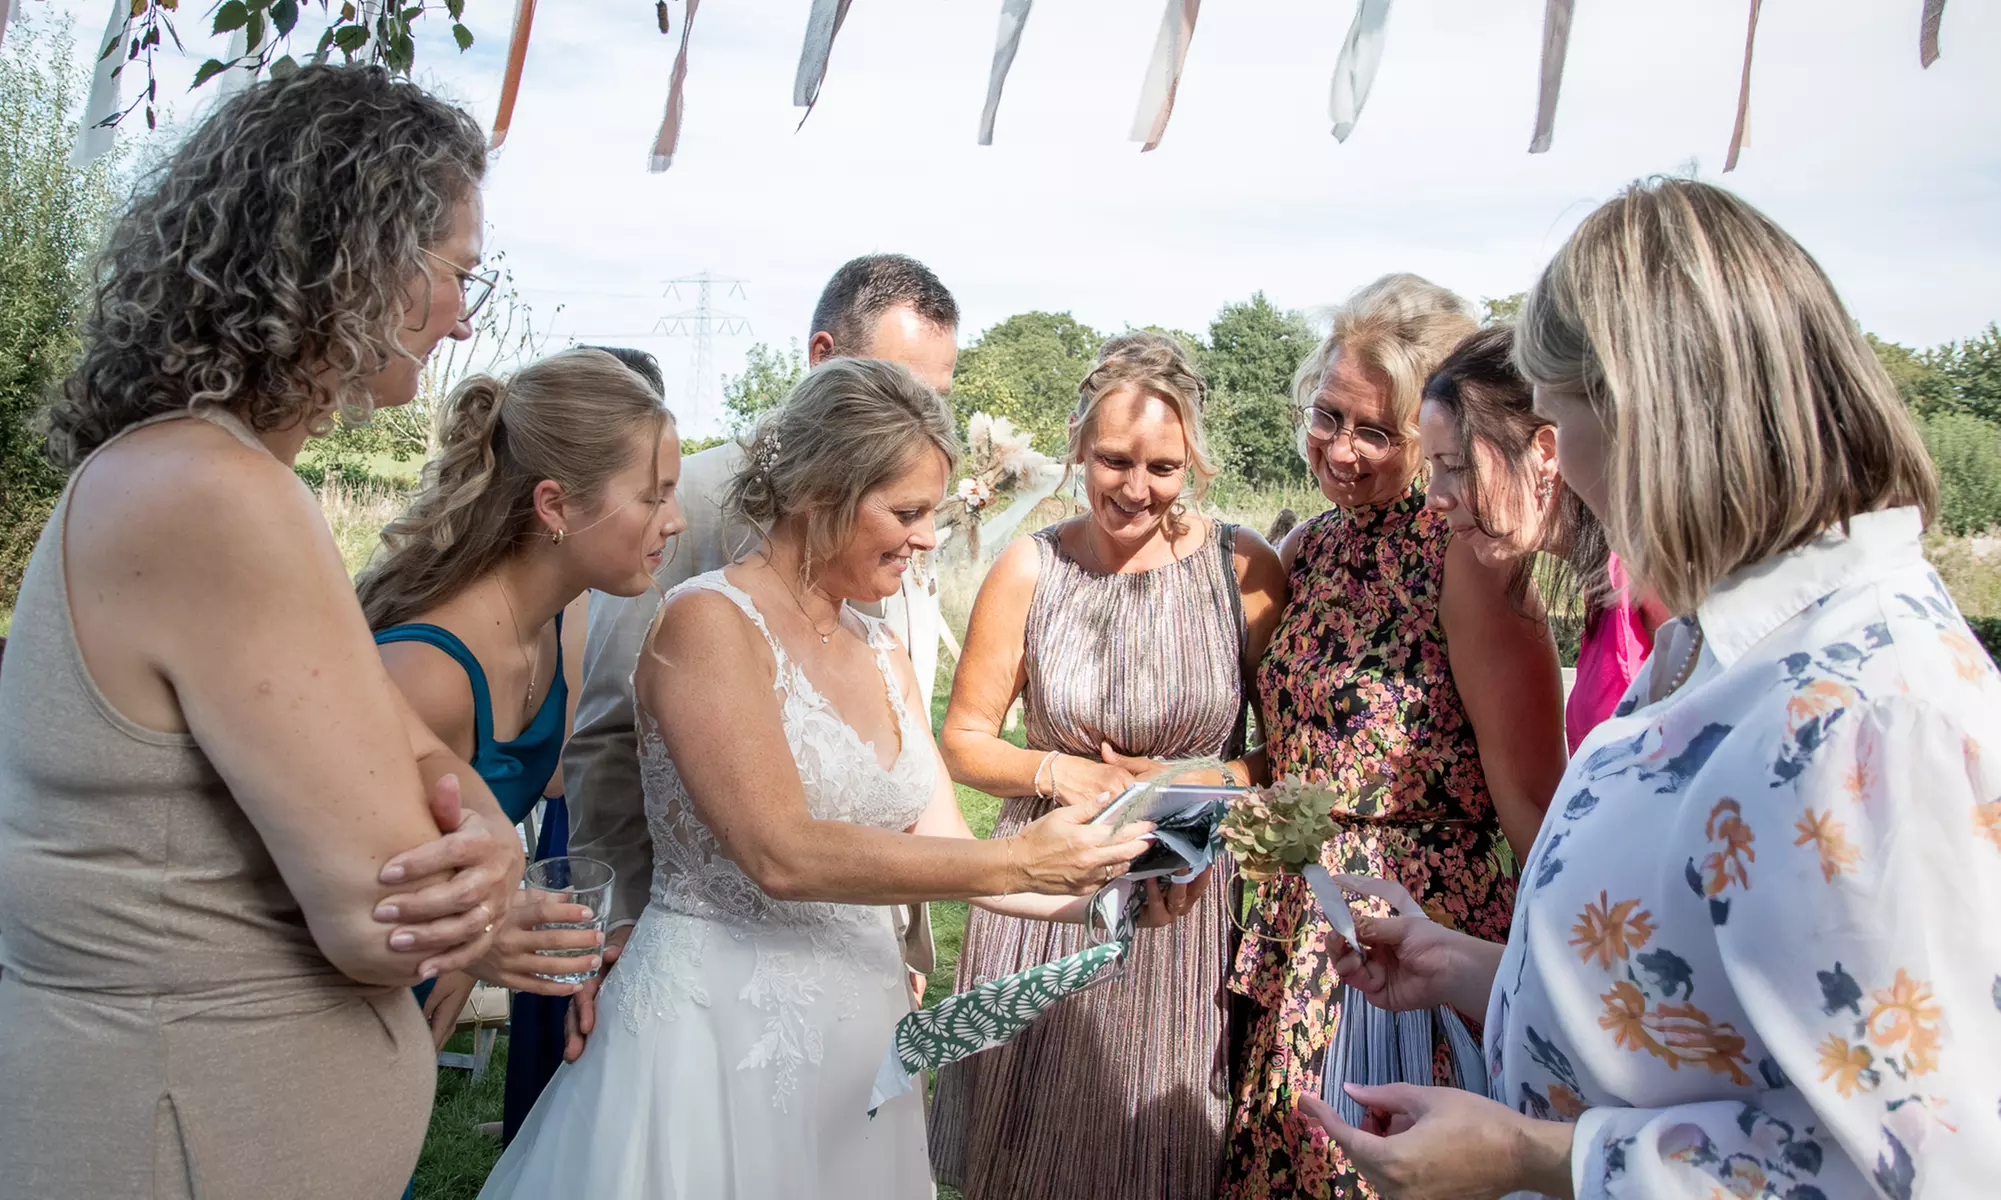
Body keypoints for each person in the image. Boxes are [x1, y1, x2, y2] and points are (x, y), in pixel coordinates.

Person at [1296, 178, 2001, 1199]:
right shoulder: (1730, 651)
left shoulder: (1874, 719)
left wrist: (1538, 1155)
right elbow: (1719, 1020)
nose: (1556, 456)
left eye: (1559, 413)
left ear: (1646, 415)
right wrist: (1472, 968)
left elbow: (1933, 1168)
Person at [481, 357, 1195, 1198]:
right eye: (906, 512)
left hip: (861, 1035)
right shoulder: (708, 622)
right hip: (713, 1034)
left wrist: (1109, 884)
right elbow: (779, 852)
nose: (928, 536)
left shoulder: (884, 651)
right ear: (822, 493)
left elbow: (947, 848)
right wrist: (1018, 860)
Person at [0, 66, 522, 1197]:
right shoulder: (215, 497)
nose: (463, 317)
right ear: (364, 261)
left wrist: (483, 824)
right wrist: (481, 872)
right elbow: (389, 924)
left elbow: (410, 752)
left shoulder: (191, 472)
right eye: (456, 275)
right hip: (185, 1136)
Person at [1222, 274, 1569, 1199]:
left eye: (1376, 431)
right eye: (1328, 415)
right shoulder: (1305, 549)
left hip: (1418, 929)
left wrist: (1559, 989)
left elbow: (1534, 802)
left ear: (1432, 437)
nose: (1338, 449)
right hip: (1304, 924)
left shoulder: (1471, 551)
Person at [563, 254, 961, 1040]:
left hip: (857, 959)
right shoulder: (692, 503)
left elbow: (888, 762)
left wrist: (900, 937)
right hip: (710, 968)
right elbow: (609, 733)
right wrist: (618, 925)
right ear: (823, 358)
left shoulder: (896, 517)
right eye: (900, 386)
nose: (915, 414)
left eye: (933, 398)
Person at [929, 332, 1287, 1198]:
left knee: (1158, 1146)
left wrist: (1196, 785)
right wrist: (1060, 773)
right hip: (1047, 898)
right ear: (1078, 449)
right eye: (1113, 460)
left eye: (1162, 466)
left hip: (1183, 900)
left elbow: (1286, 750)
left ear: (1193, 459)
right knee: (1036, 1157)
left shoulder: (1243, 571)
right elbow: (965, 741)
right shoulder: (1030, 568)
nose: (1135, 488)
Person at [359, 349, 682, 1169]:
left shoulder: (558, 625)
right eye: (653, 497)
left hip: (416, 992)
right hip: (345, 1001)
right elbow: (329, 882)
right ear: (555, 505)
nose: (673, 522)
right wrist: (476, 944)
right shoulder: (425, 667)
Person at [1417, 325, 1670, 750]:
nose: (1434, 498)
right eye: (1431, 468)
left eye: (1456, 465)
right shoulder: (1605, 584)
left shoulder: (1652, 577)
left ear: (1546, 452)